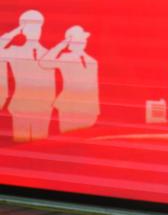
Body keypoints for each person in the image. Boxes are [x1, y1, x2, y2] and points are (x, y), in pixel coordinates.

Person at [0, 9, 57, 142]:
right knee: (21, 145)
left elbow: (51, 83)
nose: (36, 30)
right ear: (23, 30)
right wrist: (15, 32)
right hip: (21, 107)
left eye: (38, 26)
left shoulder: (48, 54)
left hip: (43, 109)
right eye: (31, 27)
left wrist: (49, 105)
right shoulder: (15, 51)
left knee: (40, 146)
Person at [39, 25, 100, 133]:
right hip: (69, 107)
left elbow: (94, 86)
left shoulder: (92, 61)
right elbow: (44, 62)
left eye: (83, 39)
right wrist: (60, 46)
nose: (83, 41)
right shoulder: (65, 58)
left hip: (88, 109)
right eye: (80, 39)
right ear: (71, 43)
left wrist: (95, 109)